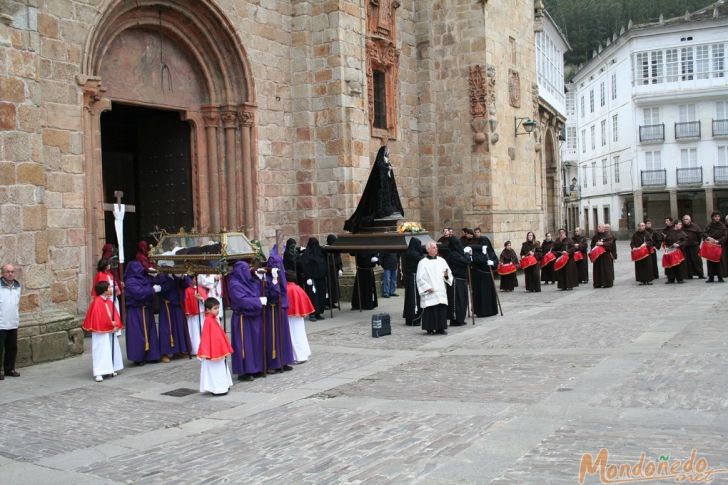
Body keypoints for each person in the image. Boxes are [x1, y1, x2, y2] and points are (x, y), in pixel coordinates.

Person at [344, 145, 404, 232]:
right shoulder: (380, 162)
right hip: (381, 187)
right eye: (386, 151)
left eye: (388, 151)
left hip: (387, 186)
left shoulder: (387, 161)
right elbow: (381, 170)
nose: (387, 153)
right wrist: (387, 168)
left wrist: (389, 168)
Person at [228, 260, 265, 381]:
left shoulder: (248, 281)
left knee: (255, 343)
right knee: (244, 344)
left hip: (253, 316)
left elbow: (257, 290)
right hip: (242, 318)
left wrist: (260, 278)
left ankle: (256, 368)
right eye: (245, 270)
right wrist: (258, 301)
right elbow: (242, 301)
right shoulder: (234, 284)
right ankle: (244, 371)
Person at [82, 281, 124, 382]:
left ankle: (111, 368)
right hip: (100, 331)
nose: (111, 290)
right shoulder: (97, 303)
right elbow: (98, 319)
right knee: (101, 350)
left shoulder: (109, 301)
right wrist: (110, 324)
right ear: (104, 291)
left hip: (110, 330)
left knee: (111, 348)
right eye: (109, 288)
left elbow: (115, 314)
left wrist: (115, 324)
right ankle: (99, 372)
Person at [124, 260, 161, 365]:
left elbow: (151, 282)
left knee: (150, 333)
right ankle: (139, 357)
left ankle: (152, 355)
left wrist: (156, 276)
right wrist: (152, 290)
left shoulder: (144, 278)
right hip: (136, 310)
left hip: (146, 309)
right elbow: (139, 293)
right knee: (138, 333)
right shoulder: (130, 281)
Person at [265, 245, 295, 373]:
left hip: (280, 307)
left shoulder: (279, 273)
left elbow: (283, 289)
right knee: (273, 335)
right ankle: (274, 362)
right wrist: (274, 281)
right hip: (272, 309)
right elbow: (271, 292)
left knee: (283, 335)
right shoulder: (267, 277)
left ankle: (284, 360)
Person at [198, 297, 234, 396]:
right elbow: (206, 338)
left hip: (218, 349)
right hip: (212, 351)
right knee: (215, 369)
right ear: (208, 310)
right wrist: (206, 351)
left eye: (218, 308)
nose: (217, 310)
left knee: (221, 367)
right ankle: (217, 388)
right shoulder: (208, 321)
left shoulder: (213, 319)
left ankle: (223, 386)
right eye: (215, 308)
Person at [416, 242, 453, 335]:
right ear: (428, 250)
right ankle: (430, 328)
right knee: (431, 310)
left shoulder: (442, 260)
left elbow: (448, 273)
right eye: (433, 248)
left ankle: (441, 328)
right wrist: (427, 287)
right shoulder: (423, 262)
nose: (436, 249)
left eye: (436, 247)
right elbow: (419, 278)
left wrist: (446, 275)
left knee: (441, 309)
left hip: (440, 289)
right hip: (430, 290)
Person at [156, 273, 189, 362]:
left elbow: (186, 284)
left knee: (178, 328)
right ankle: (165, 353)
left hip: (177, 305)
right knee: (166, 329)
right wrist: (171, 279)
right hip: (167, 305)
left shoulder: (176, 275)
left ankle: (178, 350)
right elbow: (164, 289)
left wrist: (182, 277)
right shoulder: (162, 276)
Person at [467, 233, 499, 317]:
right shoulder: (476, 252)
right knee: (481, 294)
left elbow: (496, 260)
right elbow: (476, 261)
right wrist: (483, 256)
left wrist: (493, 262)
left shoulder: (490, 251)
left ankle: (491, 311)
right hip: (479, 276)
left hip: (489, 276)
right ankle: (481, 311)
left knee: (490, 295)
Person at [285, 270, 314, 363]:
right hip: (298, 316)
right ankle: (304, 353)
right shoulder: (297, 287)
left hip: (290, 316)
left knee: (293, 335)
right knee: (300, 333)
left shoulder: (287, 289)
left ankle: (298, 356)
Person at [0, 264, 21, 379]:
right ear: (2, 273)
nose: (10, 273)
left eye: (12, 271)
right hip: (1, 323)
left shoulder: (17, 286)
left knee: (12, 348)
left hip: (13, 322)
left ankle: (9, 369)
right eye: (7, 271)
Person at [299, 237, 328, 321]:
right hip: (312, 279)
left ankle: (318, 313)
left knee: (321, 296)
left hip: (321, 278)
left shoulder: (320, 253)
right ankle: (312, 313)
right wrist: (308, 277)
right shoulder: (307, 254)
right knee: (313, 297)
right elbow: (305, 266)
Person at [444, 238, 470, 326]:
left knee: (463, 300)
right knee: (457, 301)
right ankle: (456, 319)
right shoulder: (454, 254)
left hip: (461, 280)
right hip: (456, 280)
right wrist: (467, 254)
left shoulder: (457, 253)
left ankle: (460, 319)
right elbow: (466, 261)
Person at [402, 238, 424, 326]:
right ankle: (414, 317)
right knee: (414, 298)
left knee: (411, 298)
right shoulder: (413, 254)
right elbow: (421, 259)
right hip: (413, 277)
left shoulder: (409, 252)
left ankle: (411, 318)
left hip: (411, 277)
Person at [702, 211, 726, 283]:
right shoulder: (709, 225)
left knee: (719, 261)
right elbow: (704, 233)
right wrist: (708, 237)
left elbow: (725, 236)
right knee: (710, 261)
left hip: (719, 245)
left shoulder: (722, 226)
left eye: (718, 216)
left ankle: (720, 277)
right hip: (711, 245)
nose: (717, 218)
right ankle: (711, 277)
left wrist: (718, 241)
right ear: (712, 217)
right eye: (715, 216)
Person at [183, 275, 204, 355]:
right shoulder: (187, 290)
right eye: (195, 279)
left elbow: (206, 300)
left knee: (202, 331)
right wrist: (188, 311)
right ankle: (196, 349)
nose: (196, 280)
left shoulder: (201, 289)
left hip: (201, 314)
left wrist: (201, 299)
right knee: (194, 332)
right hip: (193, 315)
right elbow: (186, 301)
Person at [590, 224, 615, 288]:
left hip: (605, 256)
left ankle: (607, 283)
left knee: (606, 269)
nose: (598, 228)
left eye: (599, 227)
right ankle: (598, 283)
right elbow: (592, 244)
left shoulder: (608, 235)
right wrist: (595, 246)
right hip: (597, 256)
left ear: (603, 228)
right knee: (597, 270)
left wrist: (602, 243)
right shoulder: (595, 236)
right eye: (598, 226)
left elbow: (610, 244)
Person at [681, 214, 704, 279]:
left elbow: (699, 237)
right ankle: (689, 274)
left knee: (697, 260)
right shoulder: (682, 227)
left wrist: (697, 243)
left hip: (694, 246)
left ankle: (700, 274)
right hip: (686, 247)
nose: (685, 221)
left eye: (687, 219)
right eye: (684, 219)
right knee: (687, 261)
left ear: (690, 220)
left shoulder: (695, 227)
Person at [324, 234, 343, 309]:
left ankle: (333, 302)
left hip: (335, 271)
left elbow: (339, 259)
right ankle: (327, 302)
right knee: (328, 287)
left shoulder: (336, 249)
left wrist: (340, 268)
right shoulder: (326, 248)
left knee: (334, 287)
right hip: (328, 271)